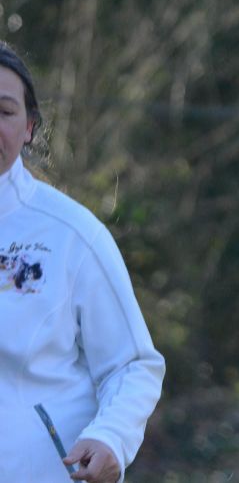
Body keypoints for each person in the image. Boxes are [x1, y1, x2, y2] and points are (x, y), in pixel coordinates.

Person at [0, 41, 165, 482]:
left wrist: (111, 435)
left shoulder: (70, 234)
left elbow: (132, 365)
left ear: (30, 127)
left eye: (4, 110)